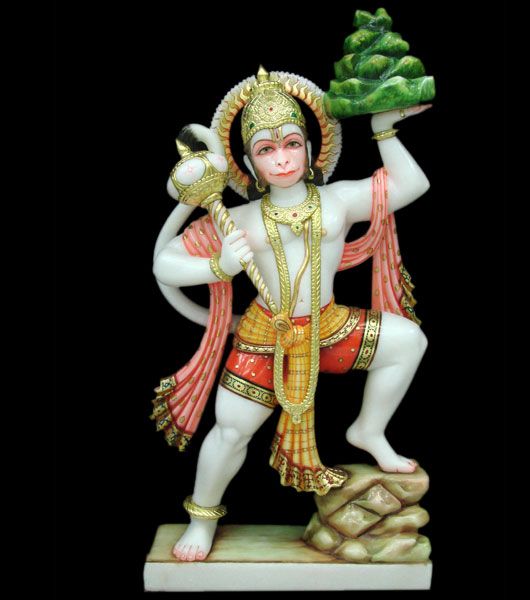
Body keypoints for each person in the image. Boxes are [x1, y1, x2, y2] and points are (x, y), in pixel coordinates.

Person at [152, 67, 431, 562]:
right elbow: (164, 265)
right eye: (266, 149)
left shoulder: (338, 201)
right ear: (248, 164)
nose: (281, 159)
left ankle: (368, 429)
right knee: (231, 432)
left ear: (310, 149)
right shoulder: (239, 220)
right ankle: (202, 519)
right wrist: (219, 265)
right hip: (268, 337)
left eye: (291, 144)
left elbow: (412, 184)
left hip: (329, 326)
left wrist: (384, 131)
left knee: (408, 340)